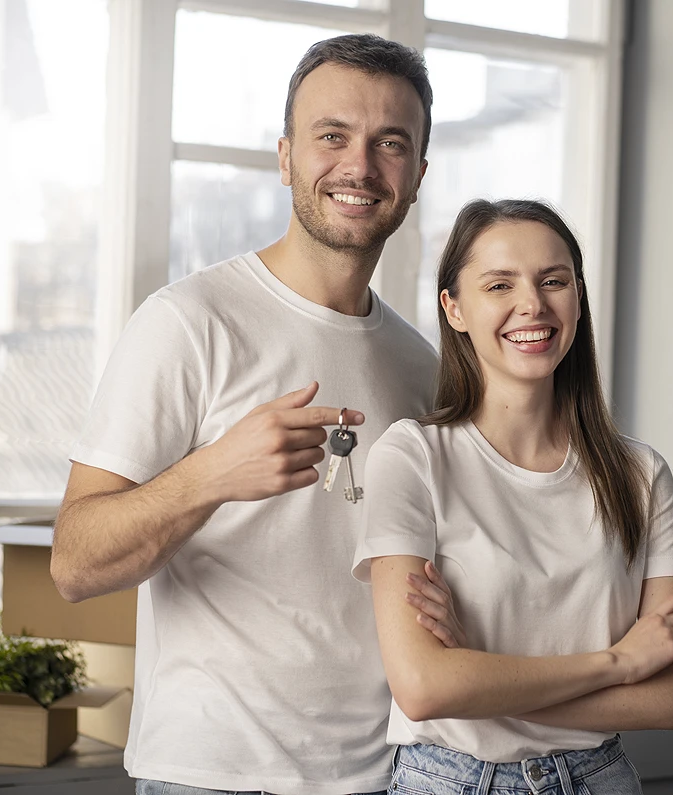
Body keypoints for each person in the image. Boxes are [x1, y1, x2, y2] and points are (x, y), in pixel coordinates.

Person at [51, 33, 455, 795]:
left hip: (387, 773)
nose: (359, 166)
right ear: (285, 157)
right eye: (331, 136)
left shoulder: (423, 367)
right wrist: (211, 474)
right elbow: (74, 562)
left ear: (419, 174)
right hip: (212, 774)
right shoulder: (190, 321)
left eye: (390, 143)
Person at [353, 199, 673, 795]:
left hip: (601, 779)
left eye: (554, 281)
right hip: (450, 780)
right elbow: (423, 687)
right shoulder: (413, 456)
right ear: (455, 308)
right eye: (500, 284)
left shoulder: (640, 475)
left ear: (577, 299)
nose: (533, 304)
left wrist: (482, 674)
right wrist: (620, 663)